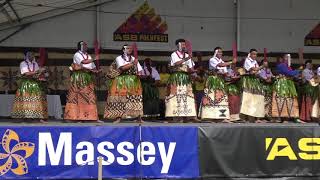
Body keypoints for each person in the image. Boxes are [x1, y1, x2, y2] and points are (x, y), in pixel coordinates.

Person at [104, 44, 144, 123]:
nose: (130, 49)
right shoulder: (119, 58)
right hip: (121, 80)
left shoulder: (133, 59)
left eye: (130, 48)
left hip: (133, 81)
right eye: (127, 48)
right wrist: (133, 63)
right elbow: (122, 68)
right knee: (120, 98)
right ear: (123, 50)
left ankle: (138, 117)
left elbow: (140, 70)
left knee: (135, 98)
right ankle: (118, 117)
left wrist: (140, 74)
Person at [64, 41, 99, 121]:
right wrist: (94, 59)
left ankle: (91, 117)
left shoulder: (88, 55)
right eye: (84, 45)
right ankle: (74, 117)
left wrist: (96, 71)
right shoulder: (77, 54)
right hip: (78, 78)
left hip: (87, 78)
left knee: (90, 97)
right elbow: (83, 62)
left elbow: (92, 67)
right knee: (76, 97)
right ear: (80, 46)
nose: (86, 46)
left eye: (86, 45)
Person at [199, 47, 235, 122]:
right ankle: (209, 116)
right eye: (218, 52)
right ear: (215, 53)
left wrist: (230, 75)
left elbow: (225, 72)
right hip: (213, 80)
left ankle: (221, 117)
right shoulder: (212, 60)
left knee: (221, 98)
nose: (220, 53)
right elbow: (220, 65)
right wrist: (231, 62)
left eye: (221, 52)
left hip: (220, 81)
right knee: (211, 97)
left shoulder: (222, 60)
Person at [165, 39, 197, 121]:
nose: (184, 46)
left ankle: (187, 116)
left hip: (186, 78)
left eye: (184, 44)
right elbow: (176, 64)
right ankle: (175, 116)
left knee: (187, 96)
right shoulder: (174, 54)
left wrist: (196, 71)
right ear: (178, 45)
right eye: (182, 44)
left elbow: (190, 69)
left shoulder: (187, 55)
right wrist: (187, 59)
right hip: (177, 77)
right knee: (175, 96)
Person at [11, 51, 48, 122]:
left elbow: (36, 75)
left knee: (35, 100)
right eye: (30, 54)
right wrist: (38, 71)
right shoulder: (23, 63)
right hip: (26, 84)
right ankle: (24, 116)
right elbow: (27, 74)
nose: (32, 56)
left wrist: (42, 73)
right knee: (25, 101)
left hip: (34, 84)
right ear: (27, 56)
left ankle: (33, 116)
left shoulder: (35, 64)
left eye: (33, 54)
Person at [272, 54, 300, 122]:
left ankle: (286, 117)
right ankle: (279, 117)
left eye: (290, 58)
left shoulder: (287, 66)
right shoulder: (281, 65)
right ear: (285, 59)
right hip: (282, 84)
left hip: (288, 84)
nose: (290, 60)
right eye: (288, 58)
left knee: (288, 99)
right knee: (281, 99)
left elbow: (292, 74)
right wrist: (298, 70)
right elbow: (290, 73)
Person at [240, 49, 265, 122]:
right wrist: (262, 66)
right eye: (253, 54)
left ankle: (254, 117)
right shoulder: (247, 61)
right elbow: (254, 69)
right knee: (247, 98)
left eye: (256, 54)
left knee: (256, 98)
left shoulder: (255, 62)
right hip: (248, 81)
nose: (255, 55)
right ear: (250, 54)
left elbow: (257, 72)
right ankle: (245, 117)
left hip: (255, 81)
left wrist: (258, 71)